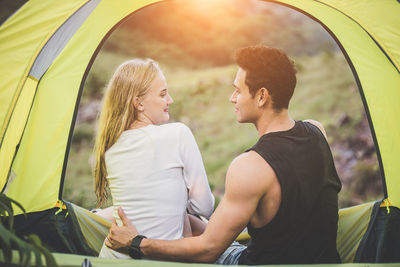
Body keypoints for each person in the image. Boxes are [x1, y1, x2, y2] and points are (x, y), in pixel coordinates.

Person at [105, 45, 342, 265]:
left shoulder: (250, 167)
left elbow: (208, 249)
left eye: (237, 90)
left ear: (261, 96)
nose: (232, 98)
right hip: (324, 260)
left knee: (204, 237)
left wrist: (136, 242)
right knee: (194, 222)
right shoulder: (317, 130)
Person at [93, 59, 214, 259]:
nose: (170, 100)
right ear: (138, 102)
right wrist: (181, 196)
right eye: (163, 94)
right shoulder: (177, 134)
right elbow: (204, 207)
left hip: (111, 259)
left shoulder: (110, 147)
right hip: (158, 259)